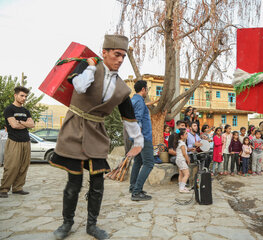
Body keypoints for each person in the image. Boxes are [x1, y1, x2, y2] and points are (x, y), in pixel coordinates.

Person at [50, 35, 143, 240]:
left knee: (98, 183)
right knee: (73, 183)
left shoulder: (122, 88)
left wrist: (138, 141)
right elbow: (81, 87)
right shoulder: (85, 66)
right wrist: (91, 66)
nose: (120, 60)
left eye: (123, 57)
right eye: (116, 54)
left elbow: (129, 117)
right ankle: (67, 223)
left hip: (97, 133)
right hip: (74, 128)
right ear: (105, 53)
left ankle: (92, 225)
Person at [0, 86, 34, 198]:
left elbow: (32, 125)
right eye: (22, 95)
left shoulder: (26, 111)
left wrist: (20, 121)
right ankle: (3, 189)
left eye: (25, 96)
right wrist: (24, 123)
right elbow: (13, 125)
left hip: (26, 141)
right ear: (15, 95)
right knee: (12, 166)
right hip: (14, 141)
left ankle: (17, 188)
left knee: (24, 166)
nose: (24, 98)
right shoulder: (9, 109)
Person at [129, 80, 155, 202]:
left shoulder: (134, 100)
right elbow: (137, 121)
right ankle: (136, 192)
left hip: (137, 137)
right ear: (143, 89)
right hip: (143, 137)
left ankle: (133, 187)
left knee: (138, 162)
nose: (147, 92)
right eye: (147, 90)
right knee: (149, 163)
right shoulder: (139, 101)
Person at [174, 128, 191, 193]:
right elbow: (184, 154)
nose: (187, 135)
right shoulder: (182, 144)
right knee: (187, 174)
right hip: (181, 160)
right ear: (182, 136)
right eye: (186, 133)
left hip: (178, 160)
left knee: (181, 174)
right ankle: (181, 188)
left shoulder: (179, 142)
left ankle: (181, 186)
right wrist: (188, 159)